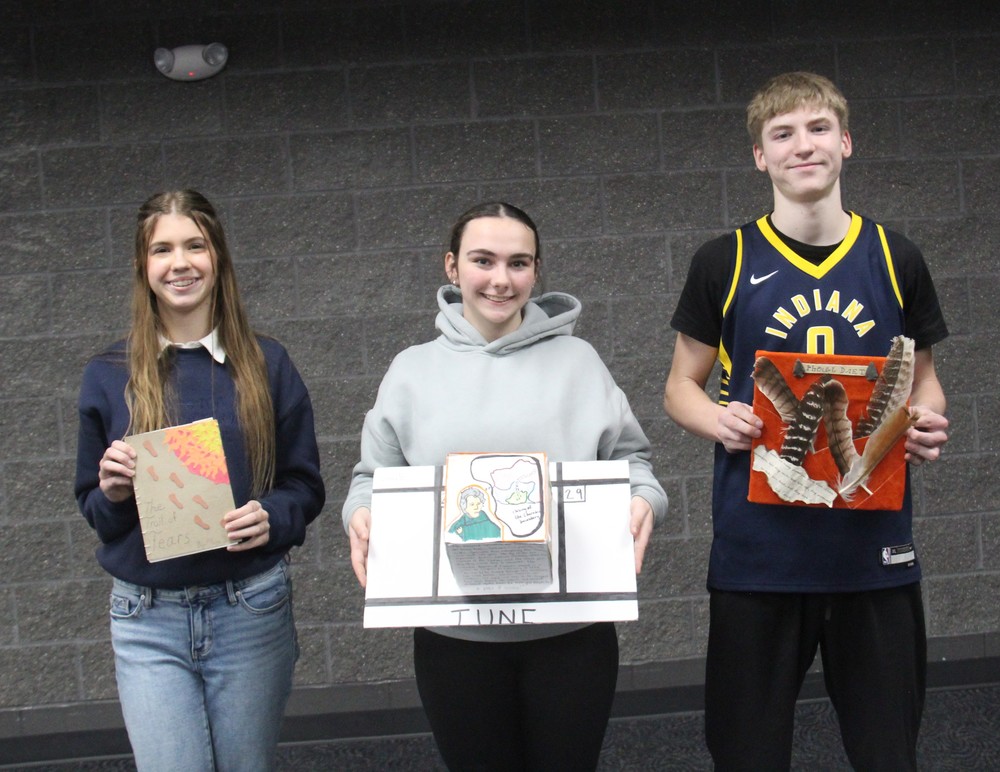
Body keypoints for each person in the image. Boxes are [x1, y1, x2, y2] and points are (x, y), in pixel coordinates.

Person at [663, 71, 949, 770]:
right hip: (759, 556)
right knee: (747, 755)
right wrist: (715, 420)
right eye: (782, 134)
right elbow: (679, 387)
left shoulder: (895, 256)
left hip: (873, 553)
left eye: (818, 129)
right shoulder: (723, 260)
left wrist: (926, 424)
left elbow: (929, 385)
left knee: (888, 755)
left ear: (845, 143)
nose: (803, 145)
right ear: (759, 157)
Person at [344, 201, 668, 771]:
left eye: (519, 263)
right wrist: (362, 513)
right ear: (451, 266)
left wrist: (645, 499)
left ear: (537, 272)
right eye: (483, 260)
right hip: (455, 639)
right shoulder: (410, 371)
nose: (501, 279)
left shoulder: (579, 362)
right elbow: (373, 476)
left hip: (572, 633)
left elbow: (631, 460)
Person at [75, 190, 325, 772]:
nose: (179, 262)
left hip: (250, 610)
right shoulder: (109, 376)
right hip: (147, 618)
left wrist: (272, 517)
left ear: (219, 259)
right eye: (162, 249)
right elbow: (93, 505)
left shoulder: (268, 364)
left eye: (195, 245)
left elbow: (304, 486)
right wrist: (111, 492)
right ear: (144, 266)